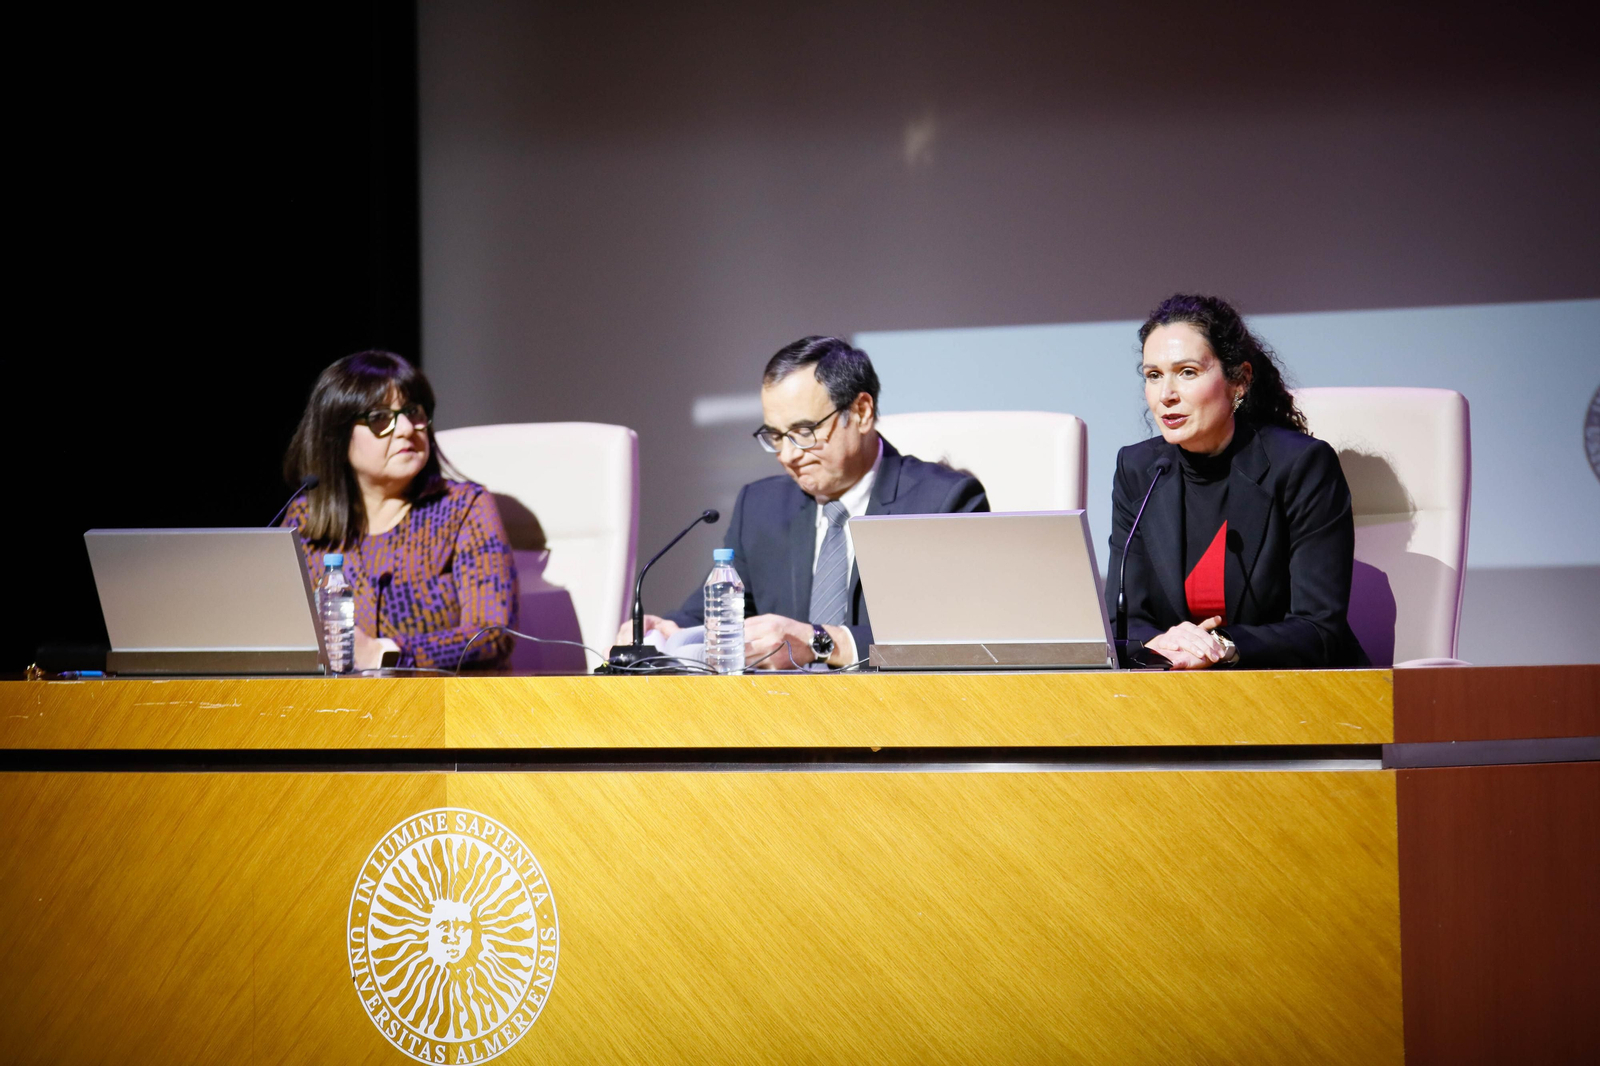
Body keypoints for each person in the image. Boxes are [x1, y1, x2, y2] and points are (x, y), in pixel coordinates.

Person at [637, 336, 989, 669]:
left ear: (862, 412)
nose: (787, 455)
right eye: (775, 436)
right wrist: (665, 631)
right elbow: (711, 616)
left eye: (804, 432)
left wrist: (822, 641)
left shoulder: (942, 503)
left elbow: (964, 641)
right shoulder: (760, 508)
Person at [1107, 294, 1367, 669]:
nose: (1166, 395)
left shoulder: (1301, 466)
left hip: (1291, 691)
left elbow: (1319, 628)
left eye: (1188, 372)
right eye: (1153, 375)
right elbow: (1122, 618)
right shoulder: (1138, 469)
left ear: (1239, 381)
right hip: (1172, 690)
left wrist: (1220, 645)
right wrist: (1164, 643)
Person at [282, 350, 516, 670]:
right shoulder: (304, 519)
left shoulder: (463, 508)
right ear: (336, 436)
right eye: (380, 418)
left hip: (442, 708)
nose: (407, 428)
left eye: (413, 412)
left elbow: (493, 634)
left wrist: (387, 652)